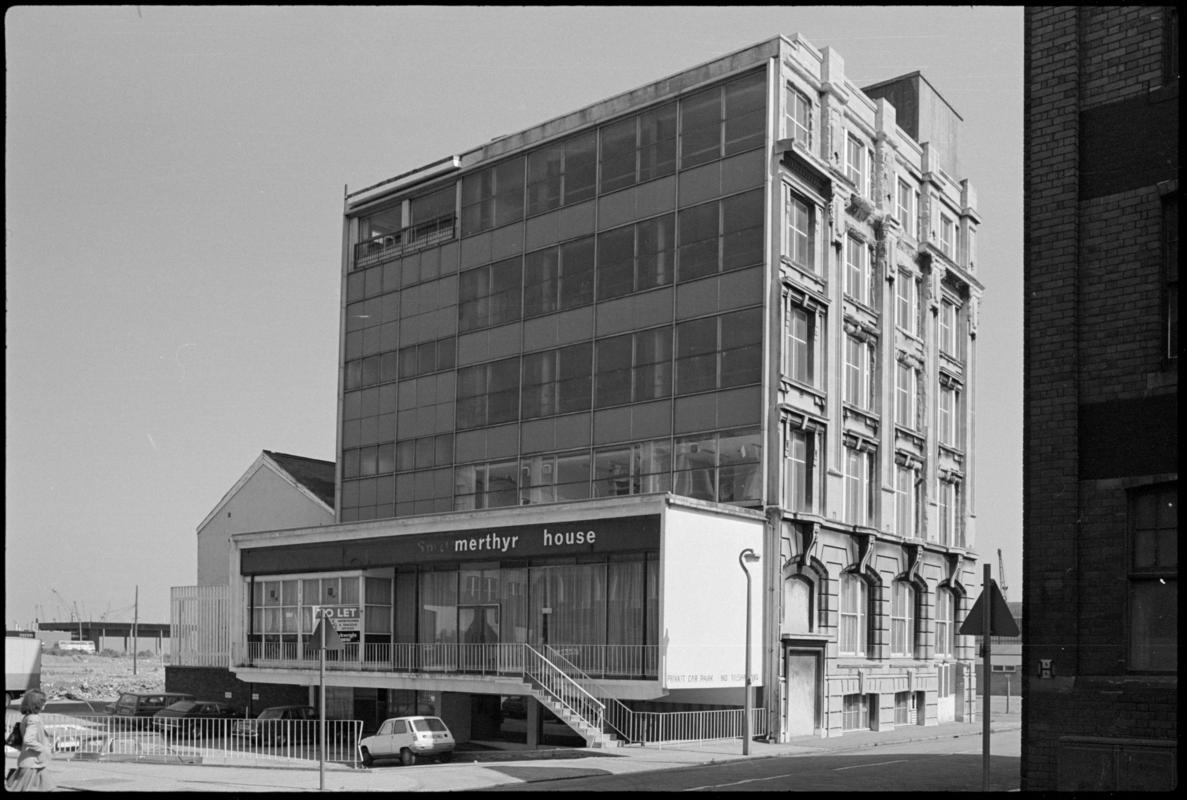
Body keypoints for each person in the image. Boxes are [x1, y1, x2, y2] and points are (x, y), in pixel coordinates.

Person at [5, 689, 54, 792]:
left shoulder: (28, 717)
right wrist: (43, 749)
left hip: (36, 763)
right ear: (36, 703)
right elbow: (28, 740)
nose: (45, 704)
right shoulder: (33, 719)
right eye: (43, 702)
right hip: (32, 763)